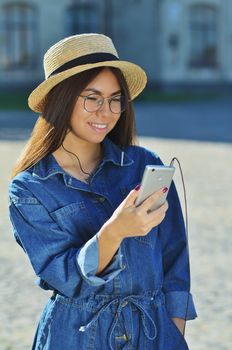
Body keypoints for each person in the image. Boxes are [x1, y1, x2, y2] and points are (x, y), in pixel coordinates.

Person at [8, 33, 197, 350]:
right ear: (62, 99)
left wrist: (173, 331)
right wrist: (114, 232)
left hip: (154, 335)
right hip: (77, 337)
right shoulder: (30, 188)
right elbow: (65, 277)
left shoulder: (144, 165)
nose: (106, 111)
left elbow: (175, 257)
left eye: (114, 99)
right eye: (92, 97)